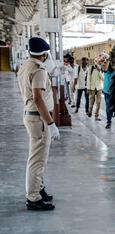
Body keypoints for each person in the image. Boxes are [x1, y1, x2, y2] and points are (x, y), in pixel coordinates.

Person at [17, 37, 60, 211]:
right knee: (37, 160)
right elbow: (38, 98)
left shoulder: (25, 66)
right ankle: (33, 198)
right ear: (44, 54)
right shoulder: (39, 70)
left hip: (31, 115)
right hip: (39, 118)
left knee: (38, 157)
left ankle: (39, 188)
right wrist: (50, 123)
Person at [87, 54, 105, 120]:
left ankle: (96, 115)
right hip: (92, 87)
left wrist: (99, 70)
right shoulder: (91, 67)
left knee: (99, 102)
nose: (98, 61)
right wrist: (88, 88)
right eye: (97, 60)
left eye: (99, 60)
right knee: (91, 101)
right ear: (95, 61)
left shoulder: (102, 68)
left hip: (99, 88)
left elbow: (103, 78)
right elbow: (88, 78)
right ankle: (90, 111)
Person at [103, 62, 115, 129]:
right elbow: (103, 66)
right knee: (108, 108)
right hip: (107, 93)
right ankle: (109, 122)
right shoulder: (107, 71)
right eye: (112, 65)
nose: (114, 66)